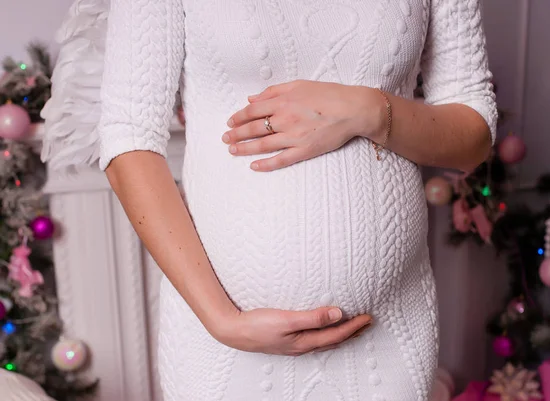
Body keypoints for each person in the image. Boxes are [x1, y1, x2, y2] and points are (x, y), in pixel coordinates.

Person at [48, 0, 497, 400]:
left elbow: (474, 136)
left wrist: (368, 110)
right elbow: (128, 135)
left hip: (387, 338)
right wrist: (222, 320)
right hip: (225, 346)